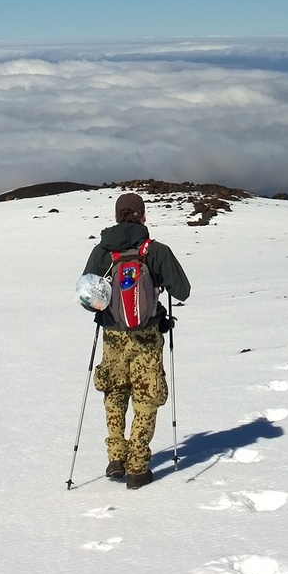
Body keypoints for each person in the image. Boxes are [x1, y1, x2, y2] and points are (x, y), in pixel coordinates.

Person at [82, 191, 191, 488]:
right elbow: (182, 290)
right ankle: (137, 467)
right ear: (143, 216)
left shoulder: (102, 252)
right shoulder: (155, 251)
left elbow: (86, 296)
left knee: (115, 393)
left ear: (117, 216)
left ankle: (116, 458)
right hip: (146, 337)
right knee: (146, 398)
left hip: (112, 336)